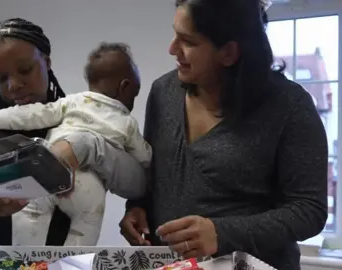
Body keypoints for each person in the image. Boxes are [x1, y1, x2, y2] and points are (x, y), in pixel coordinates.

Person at [119, 1, 328, 270]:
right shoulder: (163, 92)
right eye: (175, 35)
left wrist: (223, 233)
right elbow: (152, 174)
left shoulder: (290, 106)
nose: (171, 49)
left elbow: (309, 210)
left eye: (188, 41)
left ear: (229, 52)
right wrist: (137, 207)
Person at [0, 18, 146, 246]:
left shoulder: (81, 118)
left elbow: (137, 185)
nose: (14, 84)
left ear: (46, 61)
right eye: (0, 78)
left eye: (25, 70)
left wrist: (87, 146)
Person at [0, 42, 151, 246]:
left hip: (49, 177)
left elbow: (35, 114)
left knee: (31, 212)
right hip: (88, 187)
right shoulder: (127, 123)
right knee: (87, 221)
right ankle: (74, 263)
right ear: (125, 87)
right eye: (135, 94)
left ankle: (25, 260)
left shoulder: (72, 102)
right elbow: (145, 157)